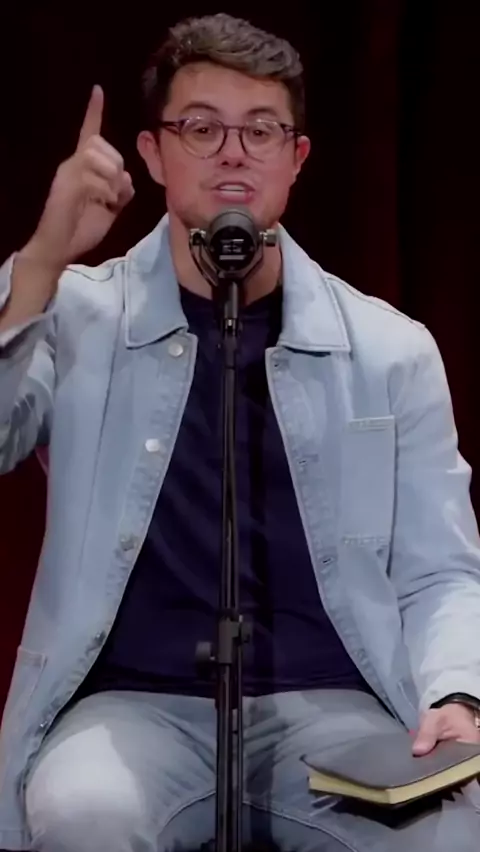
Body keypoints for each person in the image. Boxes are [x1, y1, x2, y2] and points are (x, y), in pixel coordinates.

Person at [1, 12, 480, 852]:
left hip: (333, 709)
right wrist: (43, 258)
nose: (233, 153)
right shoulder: (78, 315)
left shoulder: (389, 349)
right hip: (132, 707)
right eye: (202, 128)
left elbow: (441, 567)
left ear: (296, 159)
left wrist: (459, 694)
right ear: (153, 154)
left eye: (260, 131)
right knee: (84, 818)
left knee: (444, 832)